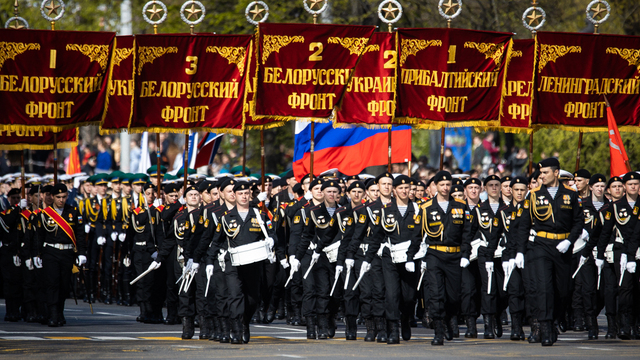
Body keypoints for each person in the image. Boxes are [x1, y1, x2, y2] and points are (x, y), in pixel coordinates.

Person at [518, 158, 583, 346]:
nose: (541, 176)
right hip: (540, 245)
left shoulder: (570, 195)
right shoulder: (533, 195)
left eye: (545, 172)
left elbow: (578, 222)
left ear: (556, 173)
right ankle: (545, 328)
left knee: (563, 290)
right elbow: (524, 225)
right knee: (544, 288)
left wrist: (569, 241)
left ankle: (555, 319)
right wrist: (521, 251)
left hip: (562, 247)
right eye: (540, 173)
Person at [206, 181, 277, 344]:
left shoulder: (260, 215)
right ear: (235, 196)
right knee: (234, 295)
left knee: (252, 299)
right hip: (233, 262)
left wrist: (272, 240)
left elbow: (272, 234)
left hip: (254, 262)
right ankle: (236, 329)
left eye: (246, 193)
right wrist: (210, 261)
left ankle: (245, 322)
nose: (244, 196)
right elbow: (216, 241)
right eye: (240, 194)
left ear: (250, 195)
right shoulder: (226, 218)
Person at [367, 175, 421, 344]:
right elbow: (376, 236)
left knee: (409, 296)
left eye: (407, 188)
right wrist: (368, 259)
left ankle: (405, 318)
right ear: (394, 190)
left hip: (410, 258)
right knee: (391, 294)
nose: (404, 191)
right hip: (390, 257)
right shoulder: (386, 210)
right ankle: (393, 329)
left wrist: (412, 256)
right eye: (401, 188)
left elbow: (419, 236)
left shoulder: (418, 209)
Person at [420, 171, 472, 345]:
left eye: (448, 184)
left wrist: (465, 254)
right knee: (436, 295)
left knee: (454, 297)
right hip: (435, 253)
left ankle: (450, 318)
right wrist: (415, 256)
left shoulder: (461, 206)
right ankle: (439, 330)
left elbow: (466, 233)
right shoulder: (426, 207)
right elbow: (417, 234)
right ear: (435, 186)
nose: (445, 187)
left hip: (455, 255)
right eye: (441, 184)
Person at [35, 183, 87, 326]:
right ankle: (52, 315)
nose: (61, 200)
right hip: (51, 252)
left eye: (64, 197)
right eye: (58, 197)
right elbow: (39, 236)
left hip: (67, 252)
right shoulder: (45, 214)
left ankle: (59, 312)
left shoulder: (74, 212)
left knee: (64, 284)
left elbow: (80, 235)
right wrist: (37, 255)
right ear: (52, 197)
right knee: (52, 283)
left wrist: (82, 253)